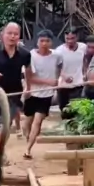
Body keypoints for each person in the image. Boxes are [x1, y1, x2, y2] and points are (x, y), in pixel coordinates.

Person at [0, 22, 32, 168]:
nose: (12, 36)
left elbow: (28, 71)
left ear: (19, 36)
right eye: (9, 33)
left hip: (13, 95)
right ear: (2, 35)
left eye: (16, 34)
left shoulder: (24, 54)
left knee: (5, 127)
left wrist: (28, 87)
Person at [22, 30, 60, 159]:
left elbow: (60, 67)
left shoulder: (56, 56)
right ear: (37, 42)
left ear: (51, 42)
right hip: (32, 93)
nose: (44, 44)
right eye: (42, 41)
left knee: (37, 122)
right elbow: (29, 77)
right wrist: (48, 82)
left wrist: (59, 80)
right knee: (27, 123)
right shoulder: (30, 56)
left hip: (47, 95)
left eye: (47, 41)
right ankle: (28, 139)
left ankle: (28, 149)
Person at [56, 28, 86, 113]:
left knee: (76, 110)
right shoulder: (59, 51)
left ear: (77, 37)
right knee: (64, 110)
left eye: (72, 38)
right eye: (67, 39)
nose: (70, 41)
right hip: (63, 85)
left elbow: (86, 61)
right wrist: (64, 76)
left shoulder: (83, 47)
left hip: (78, 84)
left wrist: (85, 73)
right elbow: (57, 67)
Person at [83, 35, 94, 100]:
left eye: (93, 47)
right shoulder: (85, 55)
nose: (90, 50)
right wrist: (85, 74)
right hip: (87, 86)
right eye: (89, 47)